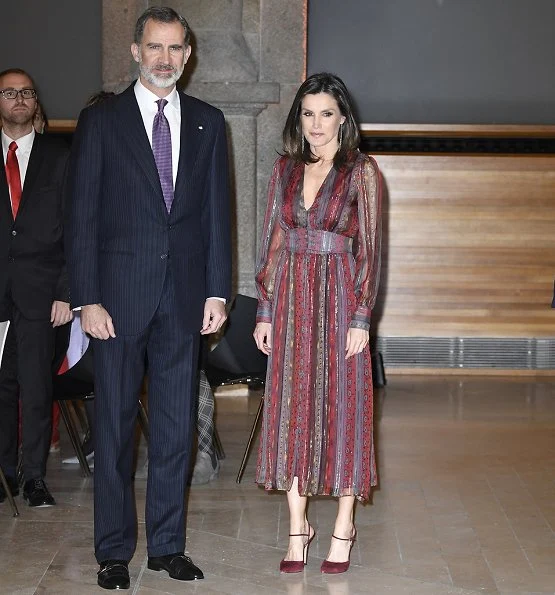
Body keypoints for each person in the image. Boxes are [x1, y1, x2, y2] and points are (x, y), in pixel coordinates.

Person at [66, 6, 231, 590]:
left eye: (175, 50)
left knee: (175, 431)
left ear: (188, 56)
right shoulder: (103, 122)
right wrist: (86, 297)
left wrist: (217, 289)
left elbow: (216, 216)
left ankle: (166, 546)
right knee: (112, 431)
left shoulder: (211, 123)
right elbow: (81, 217)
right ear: (135, 51)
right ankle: (113, 552)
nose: (165, 59)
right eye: (154, 48)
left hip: (184, 301)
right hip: (115, 302)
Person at [253, 72, 382, 575]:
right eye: (308, 113)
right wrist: (264, 310)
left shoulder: (361, 172)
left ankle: (344, 525)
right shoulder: (284, 170)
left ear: (343, 118)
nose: (316, 124)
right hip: (290, 300)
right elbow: (273, 242)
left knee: (346, 409)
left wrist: (360, 317)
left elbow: (370, 249)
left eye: (326, 113)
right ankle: (296, 528)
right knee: (291, 408)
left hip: (341, 297)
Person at [0, 68, 71, 507]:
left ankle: (34, 478)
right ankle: (5, 472)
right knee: (2, 387)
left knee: (36, 387)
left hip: (42, 293)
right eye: (9, 93)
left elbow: (74, 231)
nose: (19, 99)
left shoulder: (59, 155)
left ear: (36, 101)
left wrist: (66, 291)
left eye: (27, 92)